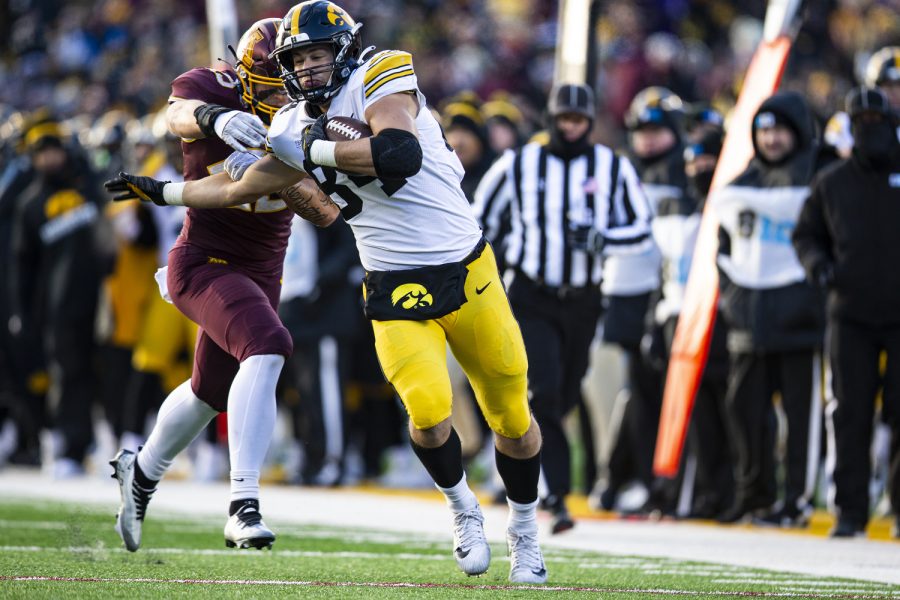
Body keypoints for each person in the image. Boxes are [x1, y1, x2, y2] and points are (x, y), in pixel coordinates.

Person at [105, 0, 548, 584]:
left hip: (468, 272)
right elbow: (248, 185)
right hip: (391, 283)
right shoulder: (286, 124)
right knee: (429, 413)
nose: (309, 69)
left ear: (341, 50)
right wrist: (166, 193)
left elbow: (398, 154)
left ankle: (523, 529)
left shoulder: (381, 72)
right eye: (299, 60)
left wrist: (314, 153)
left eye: (318, 55)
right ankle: (463, 508)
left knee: (512, 417)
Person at [107, 18, 306, 553]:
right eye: (269, 85)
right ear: (243, 77)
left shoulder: (317, 111)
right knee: (267, 346)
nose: (282, 95)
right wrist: (217, 119)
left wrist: (288, 167)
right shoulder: (213, 88)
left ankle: (142, 471)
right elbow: (176, 113)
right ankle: (244, 505)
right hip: (205, 259)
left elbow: (326, 209)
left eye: (292, 80)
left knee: (209, 393)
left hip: (264, 271)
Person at [473, 82, 653, 533]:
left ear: (590, 123)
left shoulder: (611, 166)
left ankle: (548, 477)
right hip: (532, 294)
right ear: (550, 121)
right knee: (544, 392)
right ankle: (554, 494)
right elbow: (478, 220)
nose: (571, 129)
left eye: (580, 121)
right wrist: (492, 269)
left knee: (568, 391)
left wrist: (602, 239)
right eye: (565, 120)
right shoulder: (518, 164)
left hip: (585, 298)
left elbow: (641, 228)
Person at [713, 91, 825, 526]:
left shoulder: (818, 179)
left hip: (801, 322)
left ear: (797, 132)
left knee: (800, 419)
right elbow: (723, 251)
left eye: (779, 129)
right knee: (745, 414)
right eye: (763, 130)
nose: (771, 139)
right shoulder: (741, 183)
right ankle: (754, 495)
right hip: (747, 322)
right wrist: (733, 302)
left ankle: (795, 500)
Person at [793, 86, 900, 538]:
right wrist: (820, 268)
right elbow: (806, 235)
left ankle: (897, 508)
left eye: (877, 122)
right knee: (849, 413)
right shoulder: (832, 182)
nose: (870, 132)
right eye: (862, 123)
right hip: (849, 313)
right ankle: (850, 510)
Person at [8, 120, 113, 478]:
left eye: (54, 151)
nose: (50, 159)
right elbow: (22, 266)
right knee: (68, 375)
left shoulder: (88, 189)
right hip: (58, 306)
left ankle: (108, 441)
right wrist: (21, 311)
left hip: (103, 301)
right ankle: (69, 444)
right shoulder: (30, 204)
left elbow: (110, 235)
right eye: (42, 153)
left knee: (108, 371)